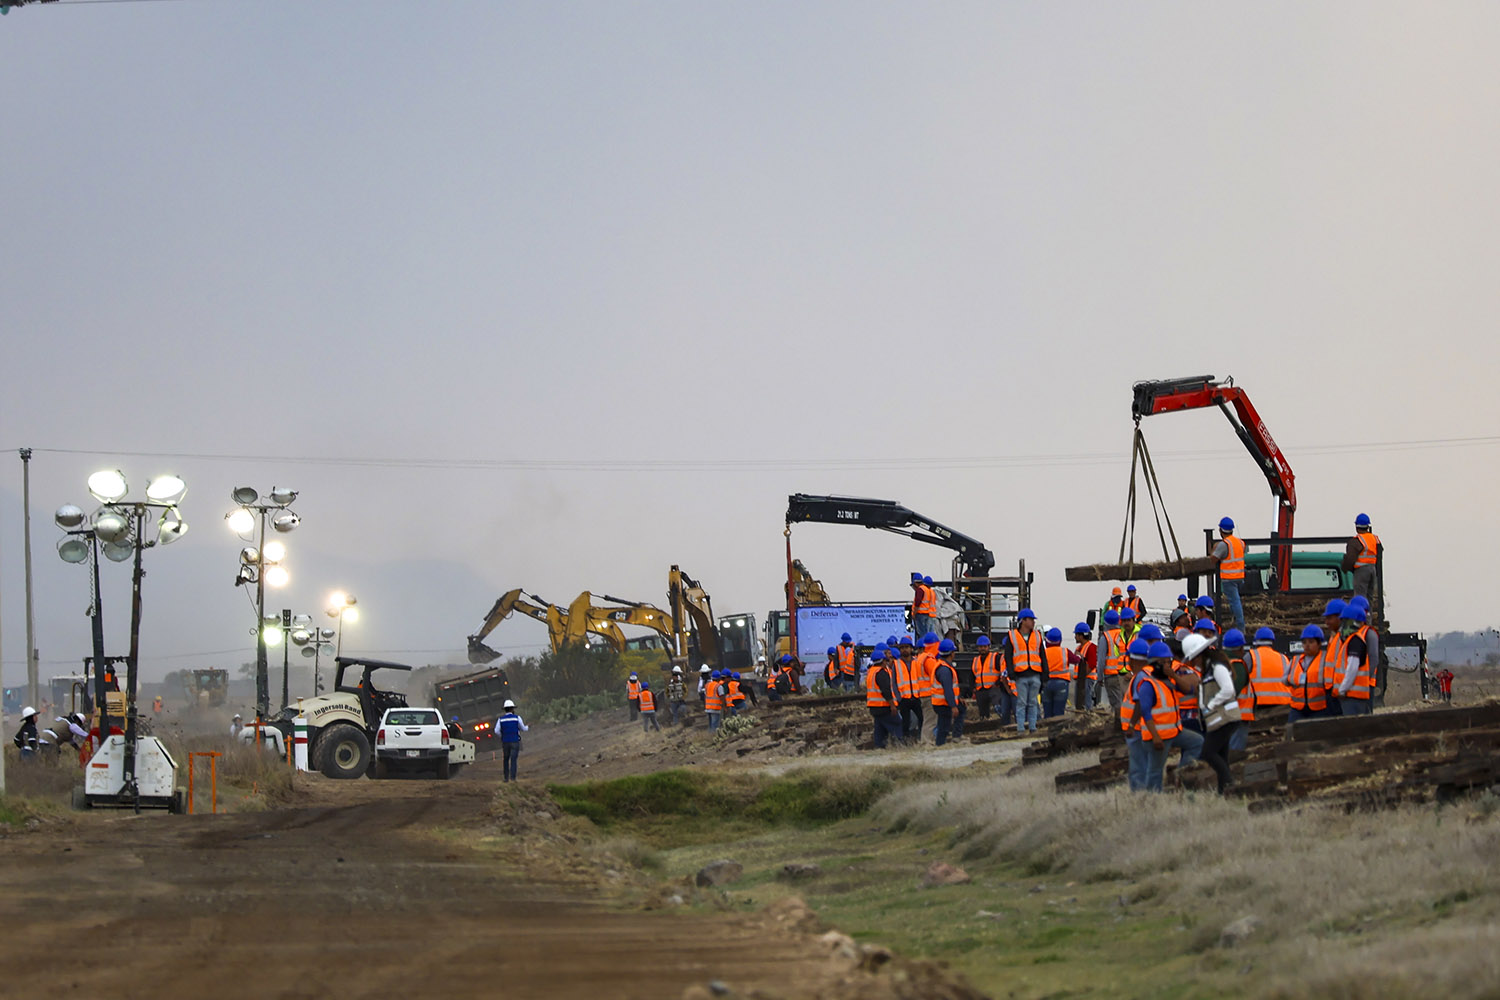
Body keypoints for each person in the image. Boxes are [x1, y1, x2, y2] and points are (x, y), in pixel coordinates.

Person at [1183, 633, 1240, 794]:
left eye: (1194, 659)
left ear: (1199, 655)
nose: (1193, 663)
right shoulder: (1208, 669)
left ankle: (1230, 783)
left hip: (1226, 718)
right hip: (1219, 720)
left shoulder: (1217, 667)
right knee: (1221, 755)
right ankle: (1224, 792)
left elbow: (1228, 689)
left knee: (1208, 753)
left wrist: (1211, 704)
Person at [1123, 641, 1179, 792]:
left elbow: (1140, 704)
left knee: (1139, 766)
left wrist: (1130, 725)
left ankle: (1141, 794)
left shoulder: (1141, 676)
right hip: (1145, 728)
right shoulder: (1148, 674)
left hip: (1138, 729)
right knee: (1147, 764)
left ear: (1132, 659)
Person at [1332, 604, 1377, 715]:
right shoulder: (1351, 640)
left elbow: (1352, 668)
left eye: (1345, 621)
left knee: (1353, 724)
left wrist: (1342, 689)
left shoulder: (1355, 641)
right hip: (1352, 695)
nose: (1343, 626)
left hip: (1352, 696)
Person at [1003, 610, 1044, 734]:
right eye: (1031, 619)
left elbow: (1042, 655)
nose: (1033, 622)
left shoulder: (1037, 635)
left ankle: (1032, 728)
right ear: (1023, 621)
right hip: (1020, 675)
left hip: (1035, 674)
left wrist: (1045, 674)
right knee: (1021, 703)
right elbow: (1008, 656)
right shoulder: (1012, 636)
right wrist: (1011, 673)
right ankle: (1020, 728)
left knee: (1032, 703)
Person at [1286, 626, 1332, 723]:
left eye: (1311, 642)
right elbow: (1285, 680)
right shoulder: (1296, 660)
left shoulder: (1325, 659)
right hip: (1298, 708)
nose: (1307, 645)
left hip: (1319, 709)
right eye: (1304, 642)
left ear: (1319, 643)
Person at [1212, 516, 1247, 630]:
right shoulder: (1240, 542)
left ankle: (1240, 627)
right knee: (1234, 602)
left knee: (1235, 602)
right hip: (1240, 577)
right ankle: (1235, 622)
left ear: (1221, 530)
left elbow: (1214, 559)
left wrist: (1214, 548)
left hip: (1229, 578)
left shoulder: (1224, 544)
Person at [866, 648, 902, 749]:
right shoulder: (881, 673)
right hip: (884, 707)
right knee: (897, 724)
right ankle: (899, 745)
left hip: (874, 707)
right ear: (882, 661)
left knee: (880, 728)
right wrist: (892, 706)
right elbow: (886, 691)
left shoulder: (871, 672)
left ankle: (879, 747)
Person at [1342, 513, 1381, 603]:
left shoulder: (1356, 541)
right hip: (1372, 570)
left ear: (1356, 526)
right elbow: (1379, 554)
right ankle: (1368, 612)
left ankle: (1360, 612)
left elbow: (1350, 559)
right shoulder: (1375, 538)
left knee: (1360, 597)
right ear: (1367, 526)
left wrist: (1344, 568)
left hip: (1361, 571)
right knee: (1369, 597)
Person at [930, 639, 962, 746]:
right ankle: (942, 744)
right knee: (943, 727)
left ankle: (947, 741)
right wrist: (953, 706)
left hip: (940, 703)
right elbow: (948, 689)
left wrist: (958, 699)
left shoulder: (941, 666)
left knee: (944, 725)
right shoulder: (944, 669)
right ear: (951, 653)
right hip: (943, 703)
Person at [910, 633, 941, 741]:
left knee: (927, 720)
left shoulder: (919, 659)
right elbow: (937, 676)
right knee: (930, 721)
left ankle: (928, 741)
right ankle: (927, 742)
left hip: (923, 695)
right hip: (930, 695)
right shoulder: (929, 659)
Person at [1098, 610, 1129, 710]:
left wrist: (1099, 677)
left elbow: (1101, 660)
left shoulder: (1105, 637)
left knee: (1116, 705)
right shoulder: (1125, 635)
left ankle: (1119, 720)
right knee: (1125, 702)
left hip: (1111, 676)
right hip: (1124, 675)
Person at [1041, 627, 1072, 719]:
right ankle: (1058, 728)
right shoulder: (1065, 651)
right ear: (1060, 640)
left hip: (1046, 684)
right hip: (1061, 684)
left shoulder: (1043, 653)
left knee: (1047, 713)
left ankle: (1047, 727)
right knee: (1059, 713)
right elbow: (1077, 660)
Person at [496, 699, 528, 782]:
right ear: (512, 709)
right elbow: (523, 728)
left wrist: (502, 736)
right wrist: (528, 727)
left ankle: (506, 778)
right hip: (515, 741)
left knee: (506, 759)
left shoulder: (500, 719)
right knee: (513, 760)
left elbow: (496, 731)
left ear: (505, 709)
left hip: (505, 742)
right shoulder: (517, 718)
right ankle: (513, 778)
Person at [971, 635, 999, 720]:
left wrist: (998, 683)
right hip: (980, 690)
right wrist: (972, 688)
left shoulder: (995, 657)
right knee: (983, 713)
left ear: (989, 647)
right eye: (980, 647)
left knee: (998, 707)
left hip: (993, 688)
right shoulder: (975, 660)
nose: (982, 648)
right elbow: (972, 676)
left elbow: (1002, 672)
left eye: (984, 646)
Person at [1072, 623, 1097, 711]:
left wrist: (1082, 676)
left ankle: (1087, 715)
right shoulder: (1078, 648)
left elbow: (1092, 664)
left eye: (1076, 635)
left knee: (1086, 701)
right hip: (1081, 679)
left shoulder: (1091, 647)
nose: (1075, 637)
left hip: (1087, 679)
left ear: (1081, 636)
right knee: (1079, 702)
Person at [911, 573, 937, 640]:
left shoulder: (920, 589)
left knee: (922, 633)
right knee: (928, 632)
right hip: (928, 614)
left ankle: (922, 644)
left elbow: (918, 602)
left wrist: (914, 613)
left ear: (915, 583)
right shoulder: (930, 591)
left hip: (921, 614)